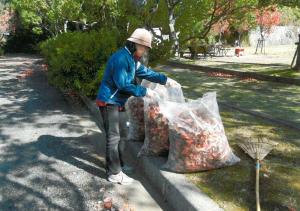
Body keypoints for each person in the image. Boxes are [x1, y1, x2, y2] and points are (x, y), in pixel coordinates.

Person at [95, 28, 178, 185]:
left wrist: (165, 80)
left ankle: (119, 166)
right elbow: (123, 85)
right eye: (144, 47)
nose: (145, 50)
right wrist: (144, 91)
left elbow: (147, 73)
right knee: (113, 137)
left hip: (118, 102)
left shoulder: (132, 59)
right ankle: (114, 173)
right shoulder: (121, 59)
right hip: (108, 102)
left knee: (123, 135)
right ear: (135, 44)